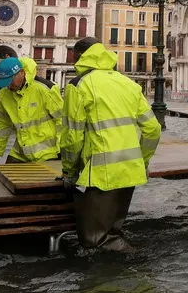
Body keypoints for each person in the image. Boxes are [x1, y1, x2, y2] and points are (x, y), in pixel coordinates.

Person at [59, 37, 162, 251]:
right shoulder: (129, 84)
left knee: (95, 240)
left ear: (79, 56)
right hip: (129, 171)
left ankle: (126, 272)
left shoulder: (78, 85)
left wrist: (69, 172)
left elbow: (72, 137)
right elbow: (153, 129)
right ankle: (129, 275)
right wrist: (141, 161)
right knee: (113, 232)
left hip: (99, 174)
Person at [0, 57, 63, 171]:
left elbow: (62, 120)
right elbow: (1, 125)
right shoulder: (3, 93)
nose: (8, 86)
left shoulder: (45, 89)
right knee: (3, 179)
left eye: (9, 81)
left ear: (22, 73)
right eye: (4, 82)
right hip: (20, 153)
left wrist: (62, 151)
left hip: (48, 153)